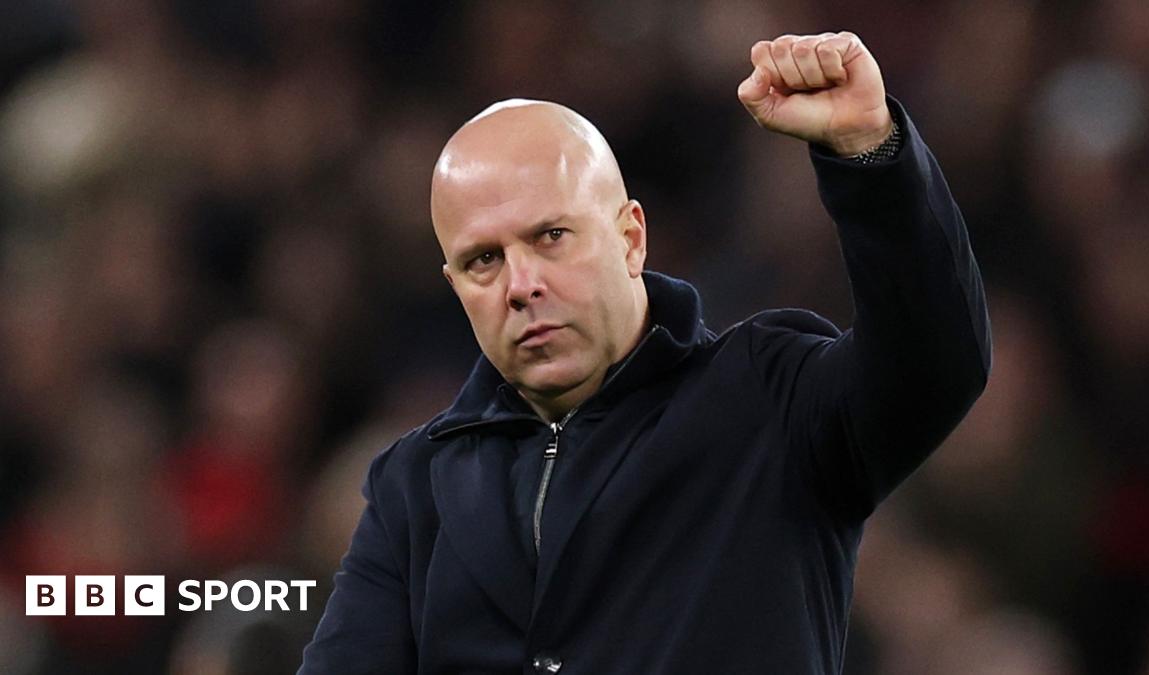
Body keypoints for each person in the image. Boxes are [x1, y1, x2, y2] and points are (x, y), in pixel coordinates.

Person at [300, 31, 990, 674]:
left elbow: (935, 364)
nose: (521, 284)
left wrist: (870, 154)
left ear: (631, 238)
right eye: (484, 259)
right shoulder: (415, 485)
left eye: (550, 237)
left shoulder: (769, 402)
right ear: (456, 286)